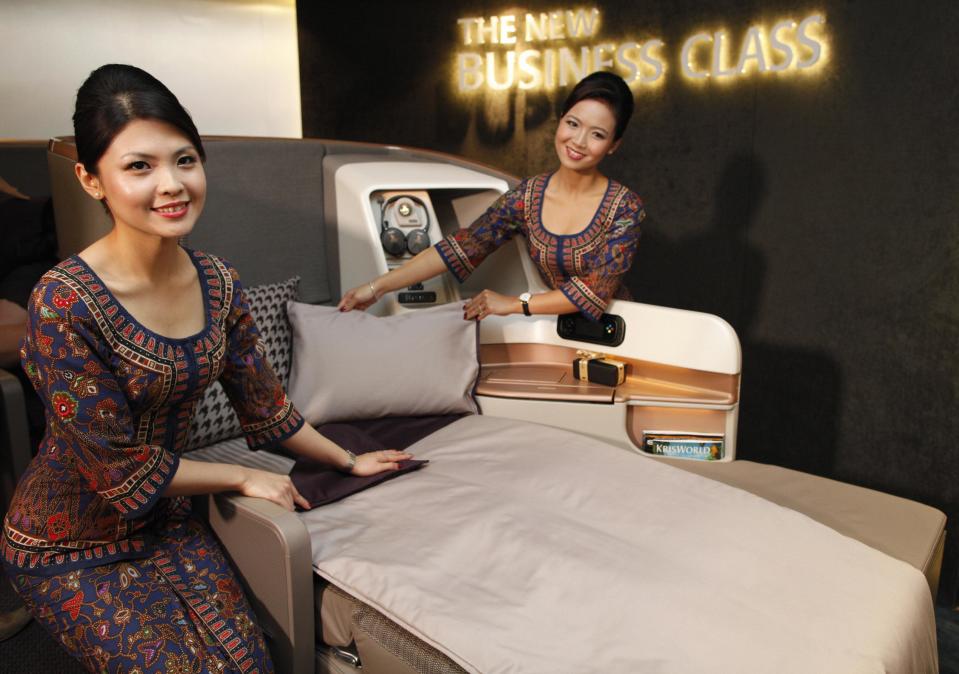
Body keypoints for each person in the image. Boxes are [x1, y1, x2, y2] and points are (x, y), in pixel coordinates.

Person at [1, 64, 411, 673]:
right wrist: (240, 479)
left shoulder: (219, 283)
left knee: (249, 664)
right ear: (91, 180)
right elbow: (117, 470)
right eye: (139, 166)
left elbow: (265, 407)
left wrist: (347, 459)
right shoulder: (63, 303)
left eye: (185, 160)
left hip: (165, 520)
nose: (171, 184)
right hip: (68, 541)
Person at [338, 71, 646, 322]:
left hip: (619, 332)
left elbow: (594, 292)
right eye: (573, 124)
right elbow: (462, 246)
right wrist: (376, 287)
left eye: (597, 134)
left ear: (614, 145)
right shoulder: (527, 196)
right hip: (554, 332)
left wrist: (514, 304)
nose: (578, 141)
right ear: (561, 119)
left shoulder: (625, 208)